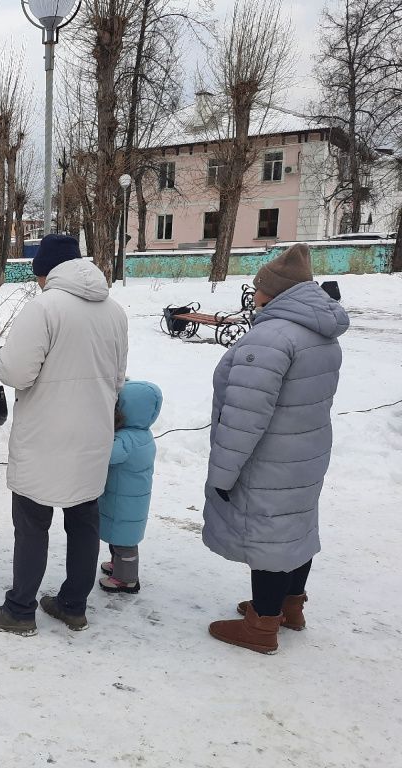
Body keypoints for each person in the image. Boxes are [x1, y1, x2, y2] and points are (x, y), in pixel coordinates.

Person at [0, 235, 127, 636]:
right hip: (93, 435)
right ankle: (73, 605)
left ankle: (20, 610)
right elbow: (117, 378)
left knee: (31, 524)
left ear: (45, 271)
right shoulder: (114, 310)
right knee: (83, 521)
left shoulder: (43, 308)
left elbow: (14, 373)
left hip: (44, 437)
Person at [205, 244, 348, 655]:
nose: (255, 294)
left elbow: (245, 415)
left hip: (268, 456)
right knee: (296, 527)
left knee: (267, 533)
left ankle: (262, 625)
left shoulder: (270, 337)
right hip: (306, 449)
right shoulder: (319, 331)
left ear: (276, 292)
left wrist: (224, 474)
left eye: (259, 287)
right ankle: (290, 605)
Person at [97, 381, 163, 595]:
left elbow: (108, 456)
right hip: (129, 500)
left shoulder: (127, 439)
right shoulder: (143, 434)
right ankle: (119, 566)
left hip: (123, 502)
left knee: (124, 543)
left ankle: (127, 579)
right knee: (121, 538)